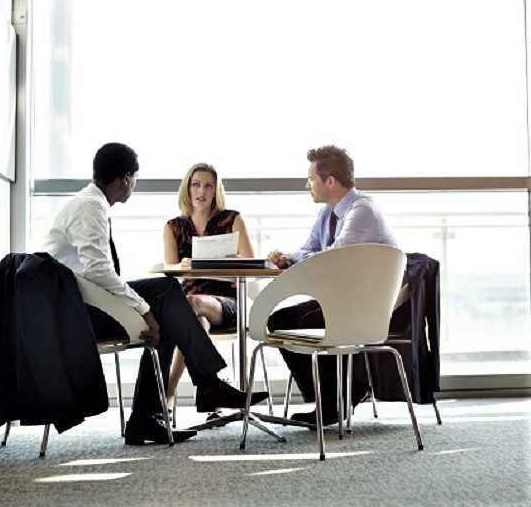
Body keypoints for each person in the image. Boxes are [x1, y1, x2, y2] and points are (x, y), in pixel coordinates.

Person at [41, 143, 267, 445]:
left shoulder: (91, 203)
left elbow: (97, 273)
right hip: (78, 313)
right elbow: (98, 271)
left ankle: (154, 414)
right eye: (134, 178)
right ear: (125, 179)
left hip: (83, 302)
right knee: (163, 297)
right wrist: (144, 309)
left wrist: (146, 307)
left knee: (166, 300)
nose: (134, 184)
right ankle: (199, 388)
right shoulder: (90, 207)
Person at [267, 145, 398, 425]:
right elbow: (309, 251)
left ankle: (336, 401)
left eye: (311, 178)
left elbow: (332, 259)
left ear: (330, 181)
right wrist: (290, 258)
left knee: (306, 323)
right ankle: (339, 394)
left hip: (366, 306)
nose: (307, 185)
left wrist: (294, 257)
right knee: (279, 321)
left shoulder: (362, 210)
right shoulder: (327, 213)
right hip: (340, 299)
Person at [163, 163, 254, 408]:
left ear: (216, 191)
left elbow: (252, 264)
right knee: (196, 321)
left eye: (208, 186)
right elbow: (170, 273)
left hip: (228, 301)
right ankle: (210, 388)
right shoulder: (174, 227)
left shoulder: (232, 219)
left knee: (192, 306)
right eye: (196, 184)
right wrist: (185, 264)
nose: (201, 191)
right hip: (191, 303)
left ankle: (169, 389)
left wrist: (237, 261)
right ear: (187, 189)